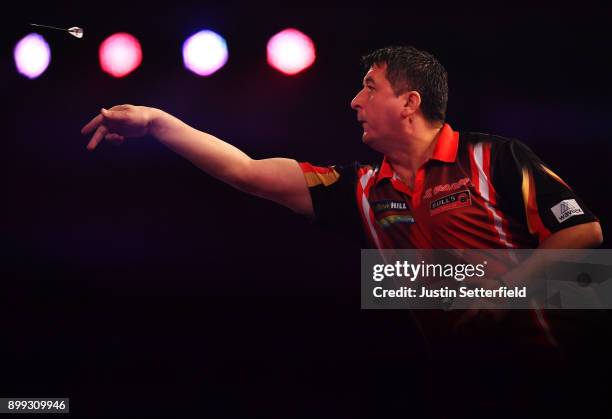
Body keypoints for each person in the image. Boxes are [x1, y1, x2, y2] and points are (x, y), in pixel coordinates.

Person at [81, 45, 602, 350]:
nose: (354, 101)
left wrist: (502, 289)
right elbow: (246, 172)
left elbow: (584, 234)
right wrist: (157, 122)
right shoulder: (361, 189)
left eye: (370, 88)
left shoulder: (496, 158)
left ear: (409, 102)